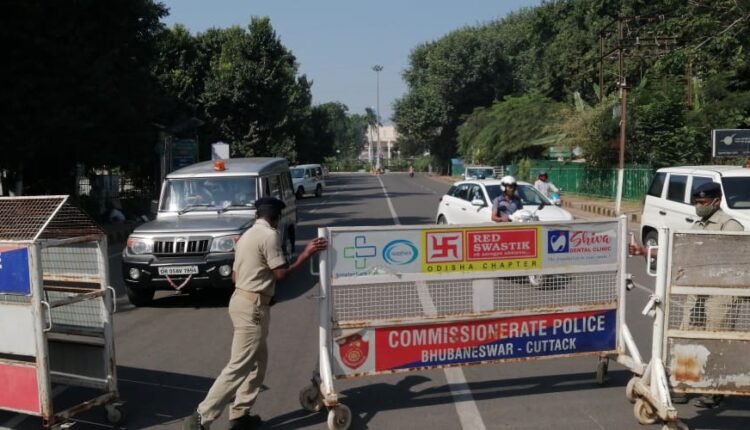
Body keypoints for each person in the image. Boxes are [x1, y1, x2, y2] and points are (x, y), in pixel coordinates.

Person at [183, 197, 328, 430]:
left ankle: (240, 414)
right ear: (276, 217)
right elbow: (280, 274)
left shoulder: (246, 235)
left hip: (242, 301)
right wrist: (307, 253)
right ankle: (200, 418)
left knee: (257, 363)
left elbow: (234, 275)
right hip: (253, 308)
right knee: (239, 366)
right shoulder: (270, 236)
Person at [629, 181, 742, 409]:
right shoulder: (699, 224)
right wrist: (645, 251)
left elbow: (737, 260)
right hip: (695, 291)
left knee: (715, 338)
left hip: (719, 294)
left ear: (716, 201)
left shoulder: (731, 226)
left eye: (701, 202)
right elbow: (679, 248)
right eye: (696, 202)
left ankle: (714, 388)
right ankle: (684, 384)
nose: (698, 206)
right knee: (687, 336)